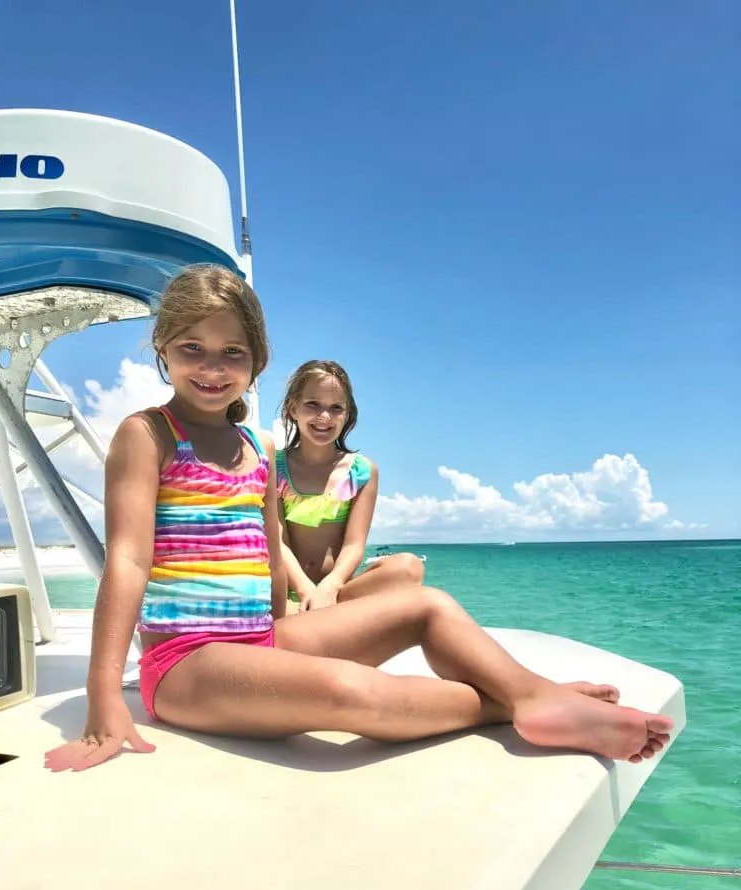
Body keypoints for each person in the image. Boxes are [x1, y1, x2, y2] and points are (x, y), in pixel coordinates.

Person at [45, 264, 673, 773]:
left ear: (257, 360)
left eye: (232, 352)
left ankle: (532, 691)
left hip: (260, 638)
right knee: (349, 692)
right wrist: (104, 696)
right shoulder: (148, 435)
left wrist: (285, 633)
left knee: (427, 605)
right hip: (184, 662)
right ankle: (513, 705)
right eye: (192, 348)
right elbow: (128, 560)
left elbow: (267, 555)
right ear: (162, 348)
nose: (212, 368)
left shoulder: (260, 449)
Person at [276, 359, 423, 613]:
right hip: (286, 592)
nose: (324, 416)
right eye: (313, 404)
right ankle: (308, 611)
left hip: (337, 592)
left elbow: (354, 546)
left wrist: (329, 587)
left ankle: (321, 611)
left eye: (336, 408)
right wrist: (305, 590)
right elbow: (278, 542)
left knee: (409, 568)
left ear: (347, 415)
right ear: (293, 409)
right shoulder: (273, 467)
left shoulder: (362, 472)